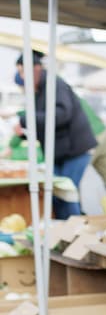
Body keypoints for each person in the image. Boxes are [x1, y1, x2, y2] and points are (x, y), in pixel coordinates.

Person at [12, 51, 97, 218]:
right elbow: (44, 124)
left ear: (36, 69)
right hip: (58, 152)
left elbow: (61, 114)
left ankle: (73, 230)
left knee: (65, 194)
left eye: (22, 72)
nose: (22, 77)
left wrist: (25, 119)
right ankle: (62, 229)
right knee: (56, 195)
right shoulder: (38, 90)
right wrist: (24, 133)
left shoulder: (55, 85)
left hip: (74, 151)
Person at [79, 98, 106, 210]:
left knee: (72, 177)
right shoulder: (76, 98)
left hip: (90, 140)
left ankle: (77, 212)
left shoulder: (62, 98)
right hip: (104, 135)